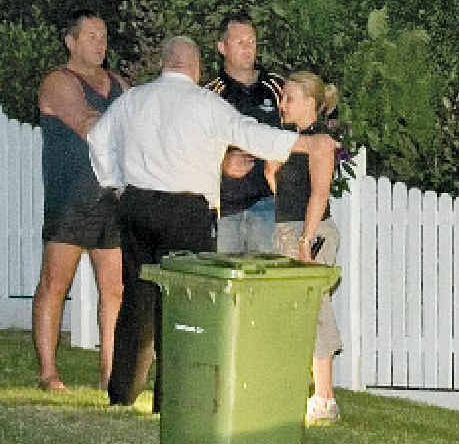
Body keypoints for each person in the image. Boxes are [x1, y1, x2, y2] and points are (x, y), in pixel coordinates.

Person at [88, 36, 337, 408]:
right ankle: (172, 400)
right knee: (184, 304)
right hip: (187, 212)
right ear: (196, 66)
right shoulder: (205, 103)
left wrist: (115, 185)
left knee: (138, 299)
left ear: (164, 62)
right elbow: (250, 134)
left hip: (138, 204)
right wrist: (303, 145)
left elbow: (97, 138)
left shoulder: (133, 100)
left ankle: (122, 394)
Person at [34, 9, 128, 393]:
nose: (100, 43)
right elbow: (89, 125)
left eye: (103, 36)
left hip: (113, 200)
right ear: (70, 42)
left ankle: (109, 372)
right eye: (91, 36)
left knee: (116, 289)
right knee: (56, 284)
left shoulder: (120, 83)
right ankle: (49, 373)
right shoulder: (59, 82)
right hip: (71, 198)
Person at [266, 71, 343, 425]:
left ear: (311, 103)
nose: (282, 105)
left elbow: (319, 194)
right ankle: (299, 390)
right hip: (287, 231)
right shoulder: (290, 141)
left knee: (313, 310)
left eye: (290, 98)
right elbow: (277, 185)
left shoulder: (321, 143)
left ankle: (324, 398)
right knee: (291, 313)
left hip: (311, 233)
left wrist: (305, 242)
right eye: (282, 98)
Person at [205, 12, 283, 253]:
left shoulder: (278, 88)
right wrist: (222, 163)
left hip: (268, 206)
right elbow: (189, 147)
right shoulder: (209, 94)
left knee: (265, 284)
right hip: (225, 209)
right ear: (222, 47)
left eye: (252, 42)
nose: (248, 48)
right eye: (240, 43)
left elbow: (301, 136)